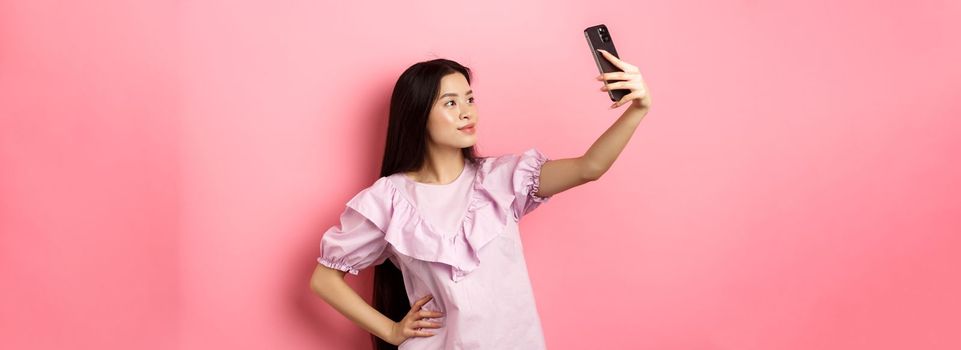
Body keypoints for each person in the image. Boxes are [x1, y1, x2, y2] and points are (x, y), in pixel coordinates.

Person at [309, 49, 651, 349]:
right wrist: (392, 330)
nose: (467, 112)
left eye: (470, 99)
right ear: (418, 114)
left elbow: (589, 167)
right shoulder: (388, 200)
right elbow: (324, 279)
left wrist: (636, 110)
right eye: (451, 103)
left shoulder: (502, 179)